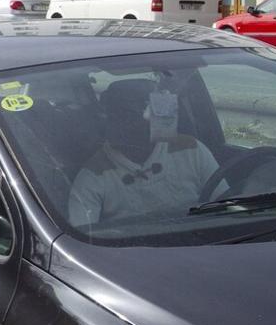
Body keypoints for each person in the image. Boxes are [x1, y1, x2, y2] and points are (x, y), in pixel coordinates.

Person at [69, 79, 220, 226]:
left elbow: (224, 203)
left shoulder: (191, 149)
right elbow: (82, 235)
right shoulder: (94, 175)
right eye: (122, 116)